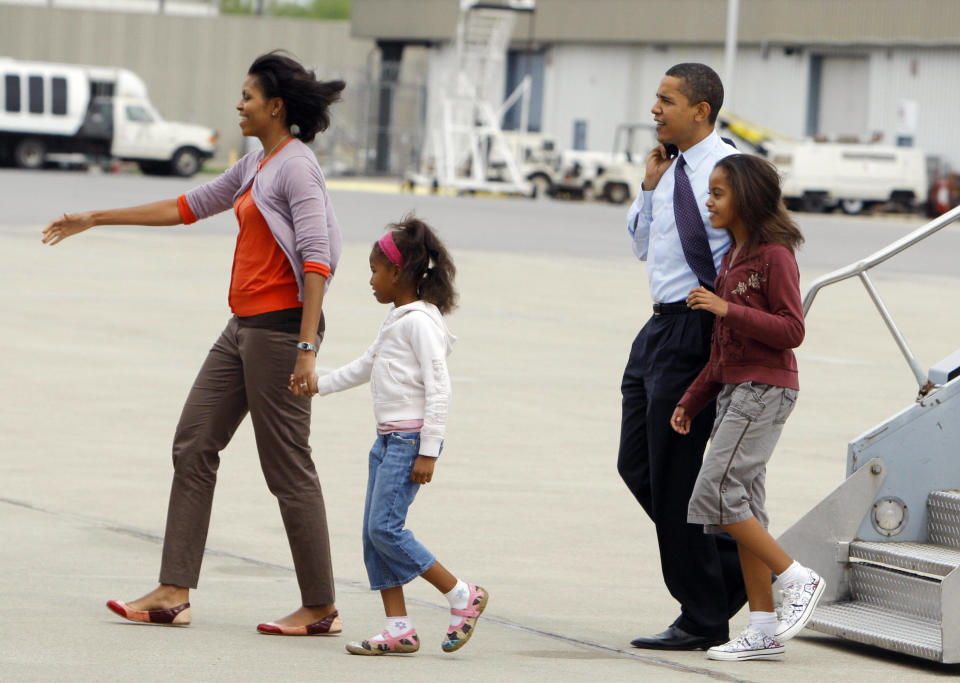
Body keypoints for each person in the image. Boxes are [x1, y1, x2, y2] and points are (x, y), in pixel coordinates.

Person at [41, 51, 347, 635]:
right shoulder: (257, 163)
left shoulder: (296, 168)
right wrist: (97, 216)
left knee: (287, 467)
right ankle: (173, 591)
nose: (239, 105)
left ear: (275, 107)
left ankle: (321, 606)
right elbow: (188, 206)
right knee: (193, 442)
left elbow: (316, 259)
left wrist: (307, 348)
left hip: (282, 331)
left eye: (248, 97)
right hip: (242, 328)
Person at [305, 216, 488, 656]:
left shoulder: (420, 323)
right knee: (374, 534)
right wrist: (316, 384)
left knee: (385, 529)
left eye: (375, 271)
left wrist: (429, 450)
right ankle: (399, 628)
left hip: (409, 443)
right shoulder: (397, 319)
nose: (370, 280)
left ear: (400, 272)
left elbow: (439, 387)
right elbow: (366, 366)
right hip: (386, 441)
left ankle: (462, 595)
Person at [671, 154, 824, 661]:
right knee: (745, 507)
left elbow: (792, 330)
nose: (708, 201)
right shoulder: (732, 257)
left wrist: (726, 307)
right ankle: (762, 628)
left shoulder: (774, 255)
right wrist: (693, 400)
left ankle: (797, 578)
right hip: (736, 391)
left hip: (766, 390)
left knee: (715, 492)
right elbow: (722, 347)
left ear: (748, 198)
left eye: (718, 193)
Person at [619, 62, 746, 650]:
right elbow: (643, 246)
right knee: (637, 466)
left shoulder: (734, 172)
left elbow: (764, 247)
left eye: (666, 100)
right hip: (658, 328)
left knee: (676, 476)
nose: (655, 109)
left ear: (701, 110)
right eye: (656, 98)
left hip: (700, 326)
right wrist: (648, 188)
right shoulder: (668, 170)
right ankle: (736, 566)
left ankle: (701, 616)